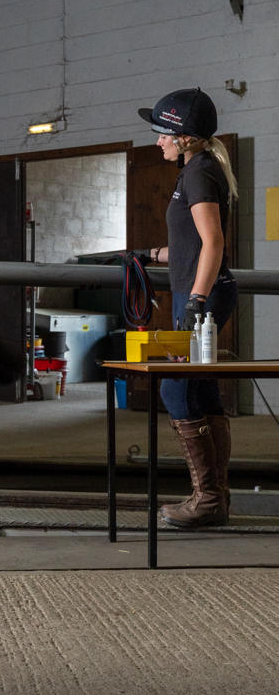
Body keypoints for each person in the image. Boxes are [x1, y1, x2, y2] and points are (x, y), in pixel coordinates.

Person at [138, 87, 238, 528]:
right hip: (200, 291)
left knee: (174, 389)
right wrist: (147, 255)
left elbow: (214, 242)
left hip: (203, 296)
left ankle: (207, 500)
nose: (157, 141)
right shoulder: (199, 169)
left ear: (184, 138)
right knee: (200, 391)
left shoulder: (198, 173)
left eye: (162, 133)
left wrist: (196, 300)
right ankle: (214, 499)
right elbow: (192, 243)